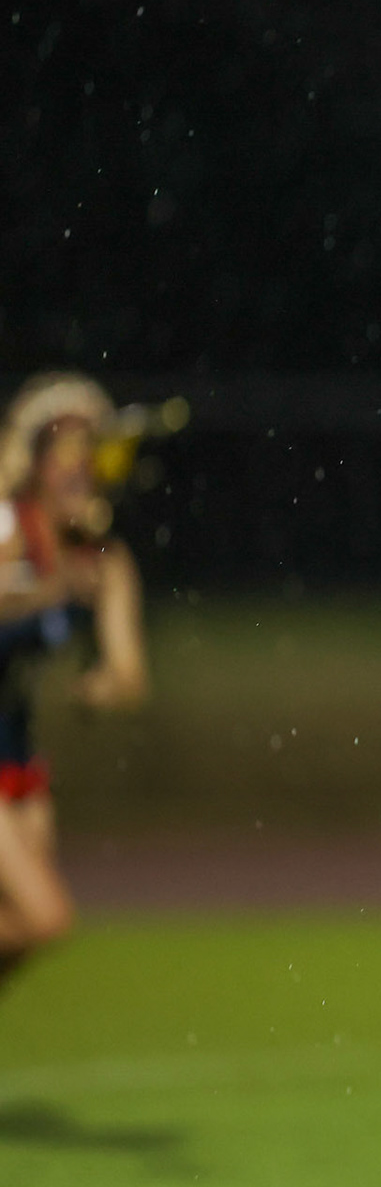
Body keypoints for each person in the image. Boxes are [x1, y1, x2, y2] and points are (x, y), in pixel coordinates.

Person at [0, 372, 151, 991]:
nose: (80, 469)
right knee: (47, 919)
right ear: (32, 460)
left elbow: (129, 675)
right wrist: (55, 588)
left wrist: (100, 688)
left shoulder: (105, 561)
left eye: (93, 454)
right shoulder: (7, 533)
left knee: (14, 943)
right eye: (65, 452)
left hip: (17, 755)